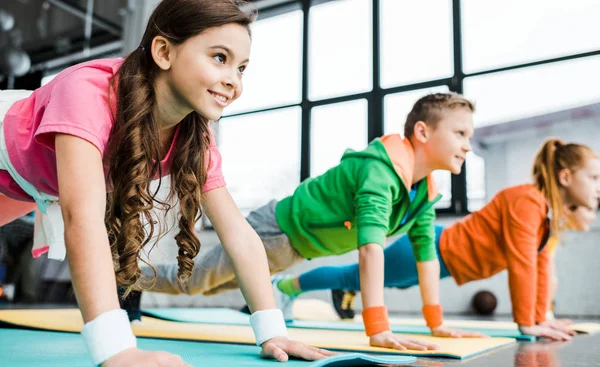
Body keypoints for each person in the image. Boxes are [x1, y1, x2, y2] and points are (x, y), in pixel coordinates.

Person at [0, 0, 329, 367]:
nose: (234, 80)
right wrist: (115, 348)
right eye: (219, 58)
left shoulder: (195, 140)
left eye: (241, 68)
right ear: (163, 52)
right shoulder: (88, 91)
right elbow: (82, 218)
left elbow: (239, 233)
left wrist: (273, 330)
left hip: (31, 182)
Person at [149, 92, 479, 351]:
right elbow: (370, 251)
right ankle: (125, 275)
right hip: (273, 231)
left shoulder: (423, 193)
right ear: (422, 131)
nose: (467, 144)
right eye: (460, 133)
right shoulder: (382, 171)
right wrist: (378, 328)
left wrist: (436, 323)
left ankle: (129, 278)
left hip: (291, 250)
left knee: (208, 287)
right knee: (192, 283)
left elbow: (427, 258)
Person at [284, 139, 600, 341]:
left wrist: (543, 316)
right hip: (432, 250)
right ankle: (285, 288)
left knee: (357, 279)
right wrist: (526, 324)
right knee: (351, 275)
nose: (598, 187)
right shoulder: (527, 201)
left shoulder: (546, 219)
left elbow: (541, 266)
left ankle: (319, 289)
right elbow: (522, 265)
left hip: (444, 263)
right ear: (565, 177)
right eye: (594, 177)